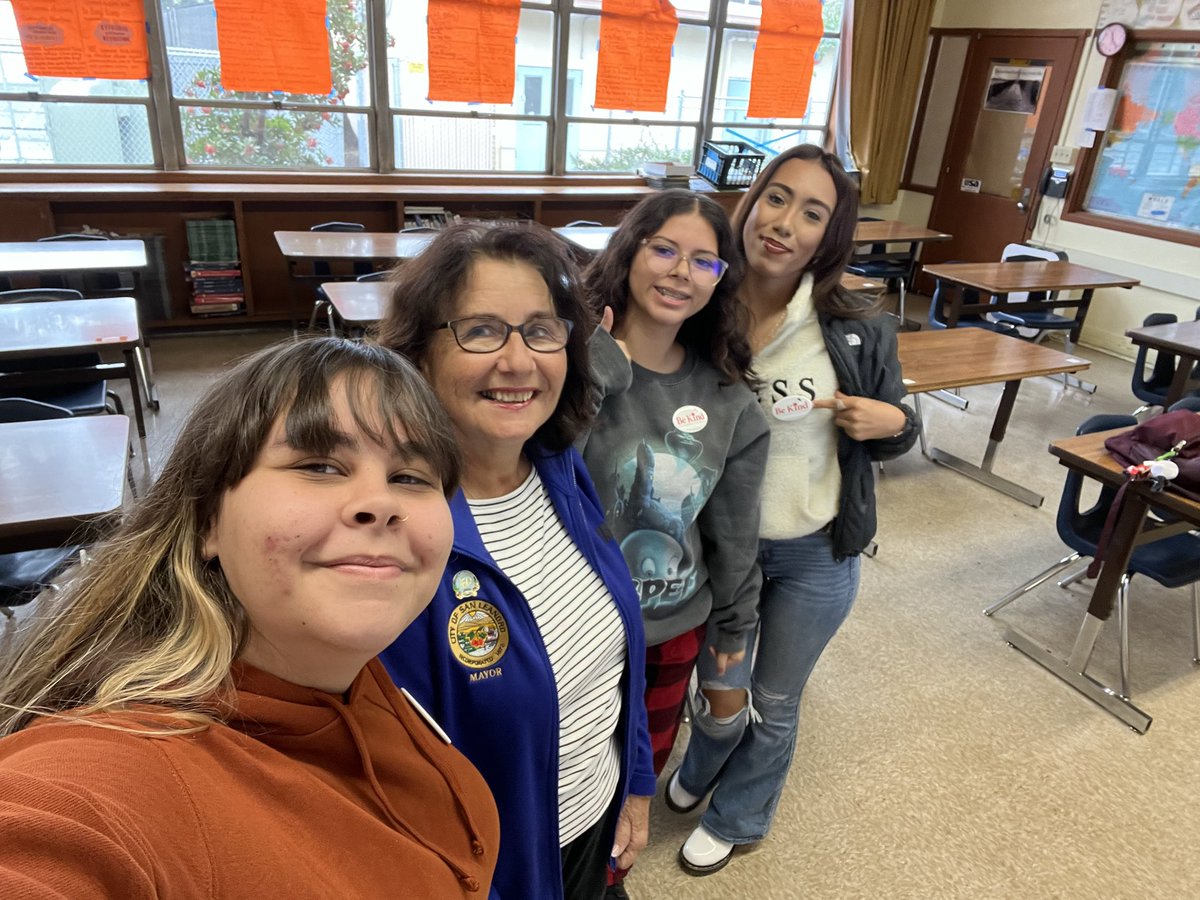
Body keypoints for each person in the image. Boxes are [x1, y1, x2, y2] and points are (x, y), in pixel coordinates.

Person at [0, 337, 499, 898]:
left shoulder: (354, 679)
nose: (380, 503)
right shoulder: (109, 773)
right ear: (208, 520)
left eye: (410, 478)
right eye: (319, 465)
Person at [375, 222, 655, 900]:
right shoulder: (392, 531)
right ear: (419, 352)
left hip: (595, 834)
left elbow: (617, 656)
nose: (518, 360)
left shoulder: (559, 468)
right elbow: (392, 790)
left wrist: (636, 785)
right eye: (480, 330)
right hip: (498, 875)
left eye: (540, 329)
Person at [665, 145, 920, 875]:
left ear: (829, 235)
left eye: (813, 213)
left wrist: (894, 424)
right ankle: (705, 761)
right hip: (716, 547)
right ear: (751, 204)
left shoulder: (856, 325)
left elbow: (899, 426)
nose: (784, 224)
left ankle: (740, 814)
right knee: (720, 688)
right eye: (776, 198)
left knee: (774, 699)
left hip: (814, 551)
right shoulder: (696, 304)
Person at [579, 190, 769, 895]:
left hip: (671, 632)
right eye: (664, 249)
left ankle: (607, 879)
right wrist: (593, 372)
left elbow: (732, 531)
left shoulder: (728, 399)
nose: (680, 272)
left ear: (721, 279)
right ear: (629, 250)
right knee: (555, 771)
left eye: (704, 261)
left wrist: (734, 631)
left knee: (636, 782)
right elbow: (530, 473)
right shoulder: (569, 355)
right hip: (571, 628)